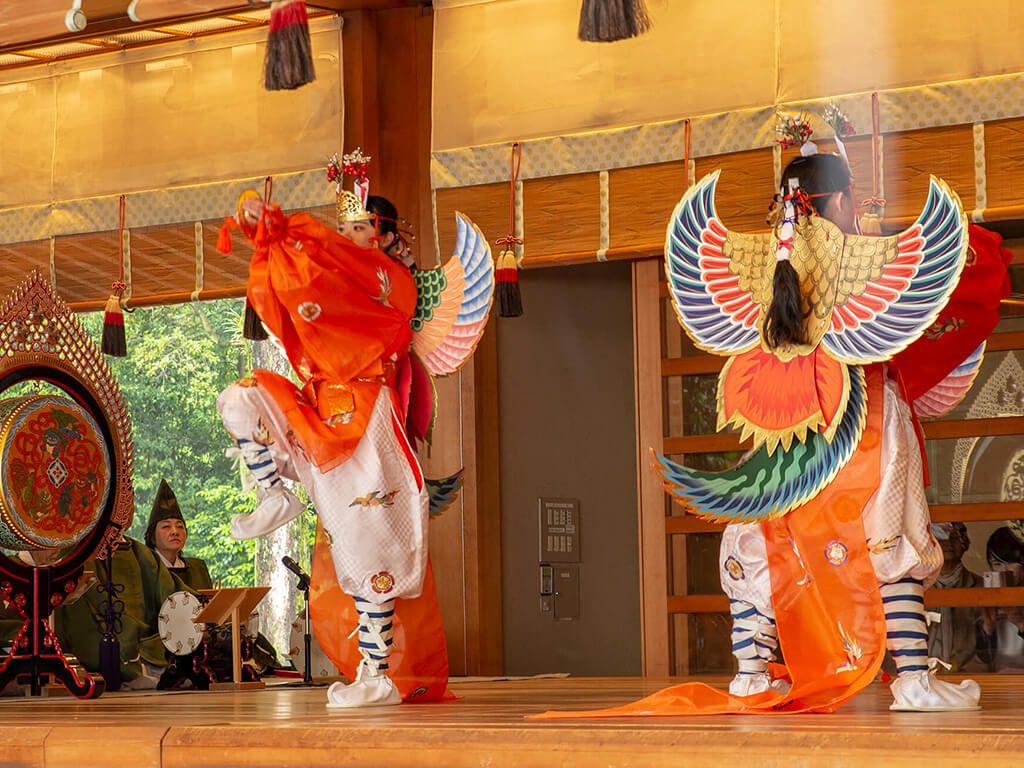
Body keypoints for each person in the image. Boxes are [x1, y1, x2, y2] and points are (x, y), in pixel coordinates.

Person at [214, 158, 490, 708]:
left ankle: (377, 672)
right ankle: (275, 491)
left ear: (384, 237)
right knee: (239, 398)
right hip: (318, 409)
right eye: (342, 228)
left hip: (368, 418)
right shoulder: (338, 268)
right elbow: (302, 281)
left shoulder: (394, 284)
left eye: (360, 227)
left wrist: (299, 235)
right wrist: (267, 234)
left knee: (369, 545)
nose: (349, 237)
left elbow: (331, 275)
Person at [52, 533, 180, 689]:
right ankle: (130, 672)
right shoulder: (82, 546)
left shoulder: (142, 552)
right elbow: (91, 587)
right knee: (117, 624)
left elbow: (168, 590)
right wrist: (121, 616)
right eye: (166, 527)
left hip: (146, 629)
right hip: (108, 618)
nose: (173, 531)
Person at [927, 522, 984, 672]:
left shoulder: (981, 586)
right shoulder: (916, 588)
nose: (948, 543)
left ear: (965, 544)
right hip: (918, 677)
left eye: (955, 538)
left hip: (968, 675)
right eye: (941, 537)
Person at [145, 478, 212, 591]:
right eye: (166, 526)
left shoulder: (198, 568)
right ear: (152, 537)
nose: (175, 532)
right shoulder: (144, 570)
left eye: (180, 526)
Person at [977, 526, 1024, 672]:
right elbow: (984, 658)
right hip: (998, 680)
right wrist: (987, 630)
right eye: (997, 564)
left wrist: (1021, 624)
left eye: (1010, 562)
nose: (1004, 570)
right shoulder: (987, 598)